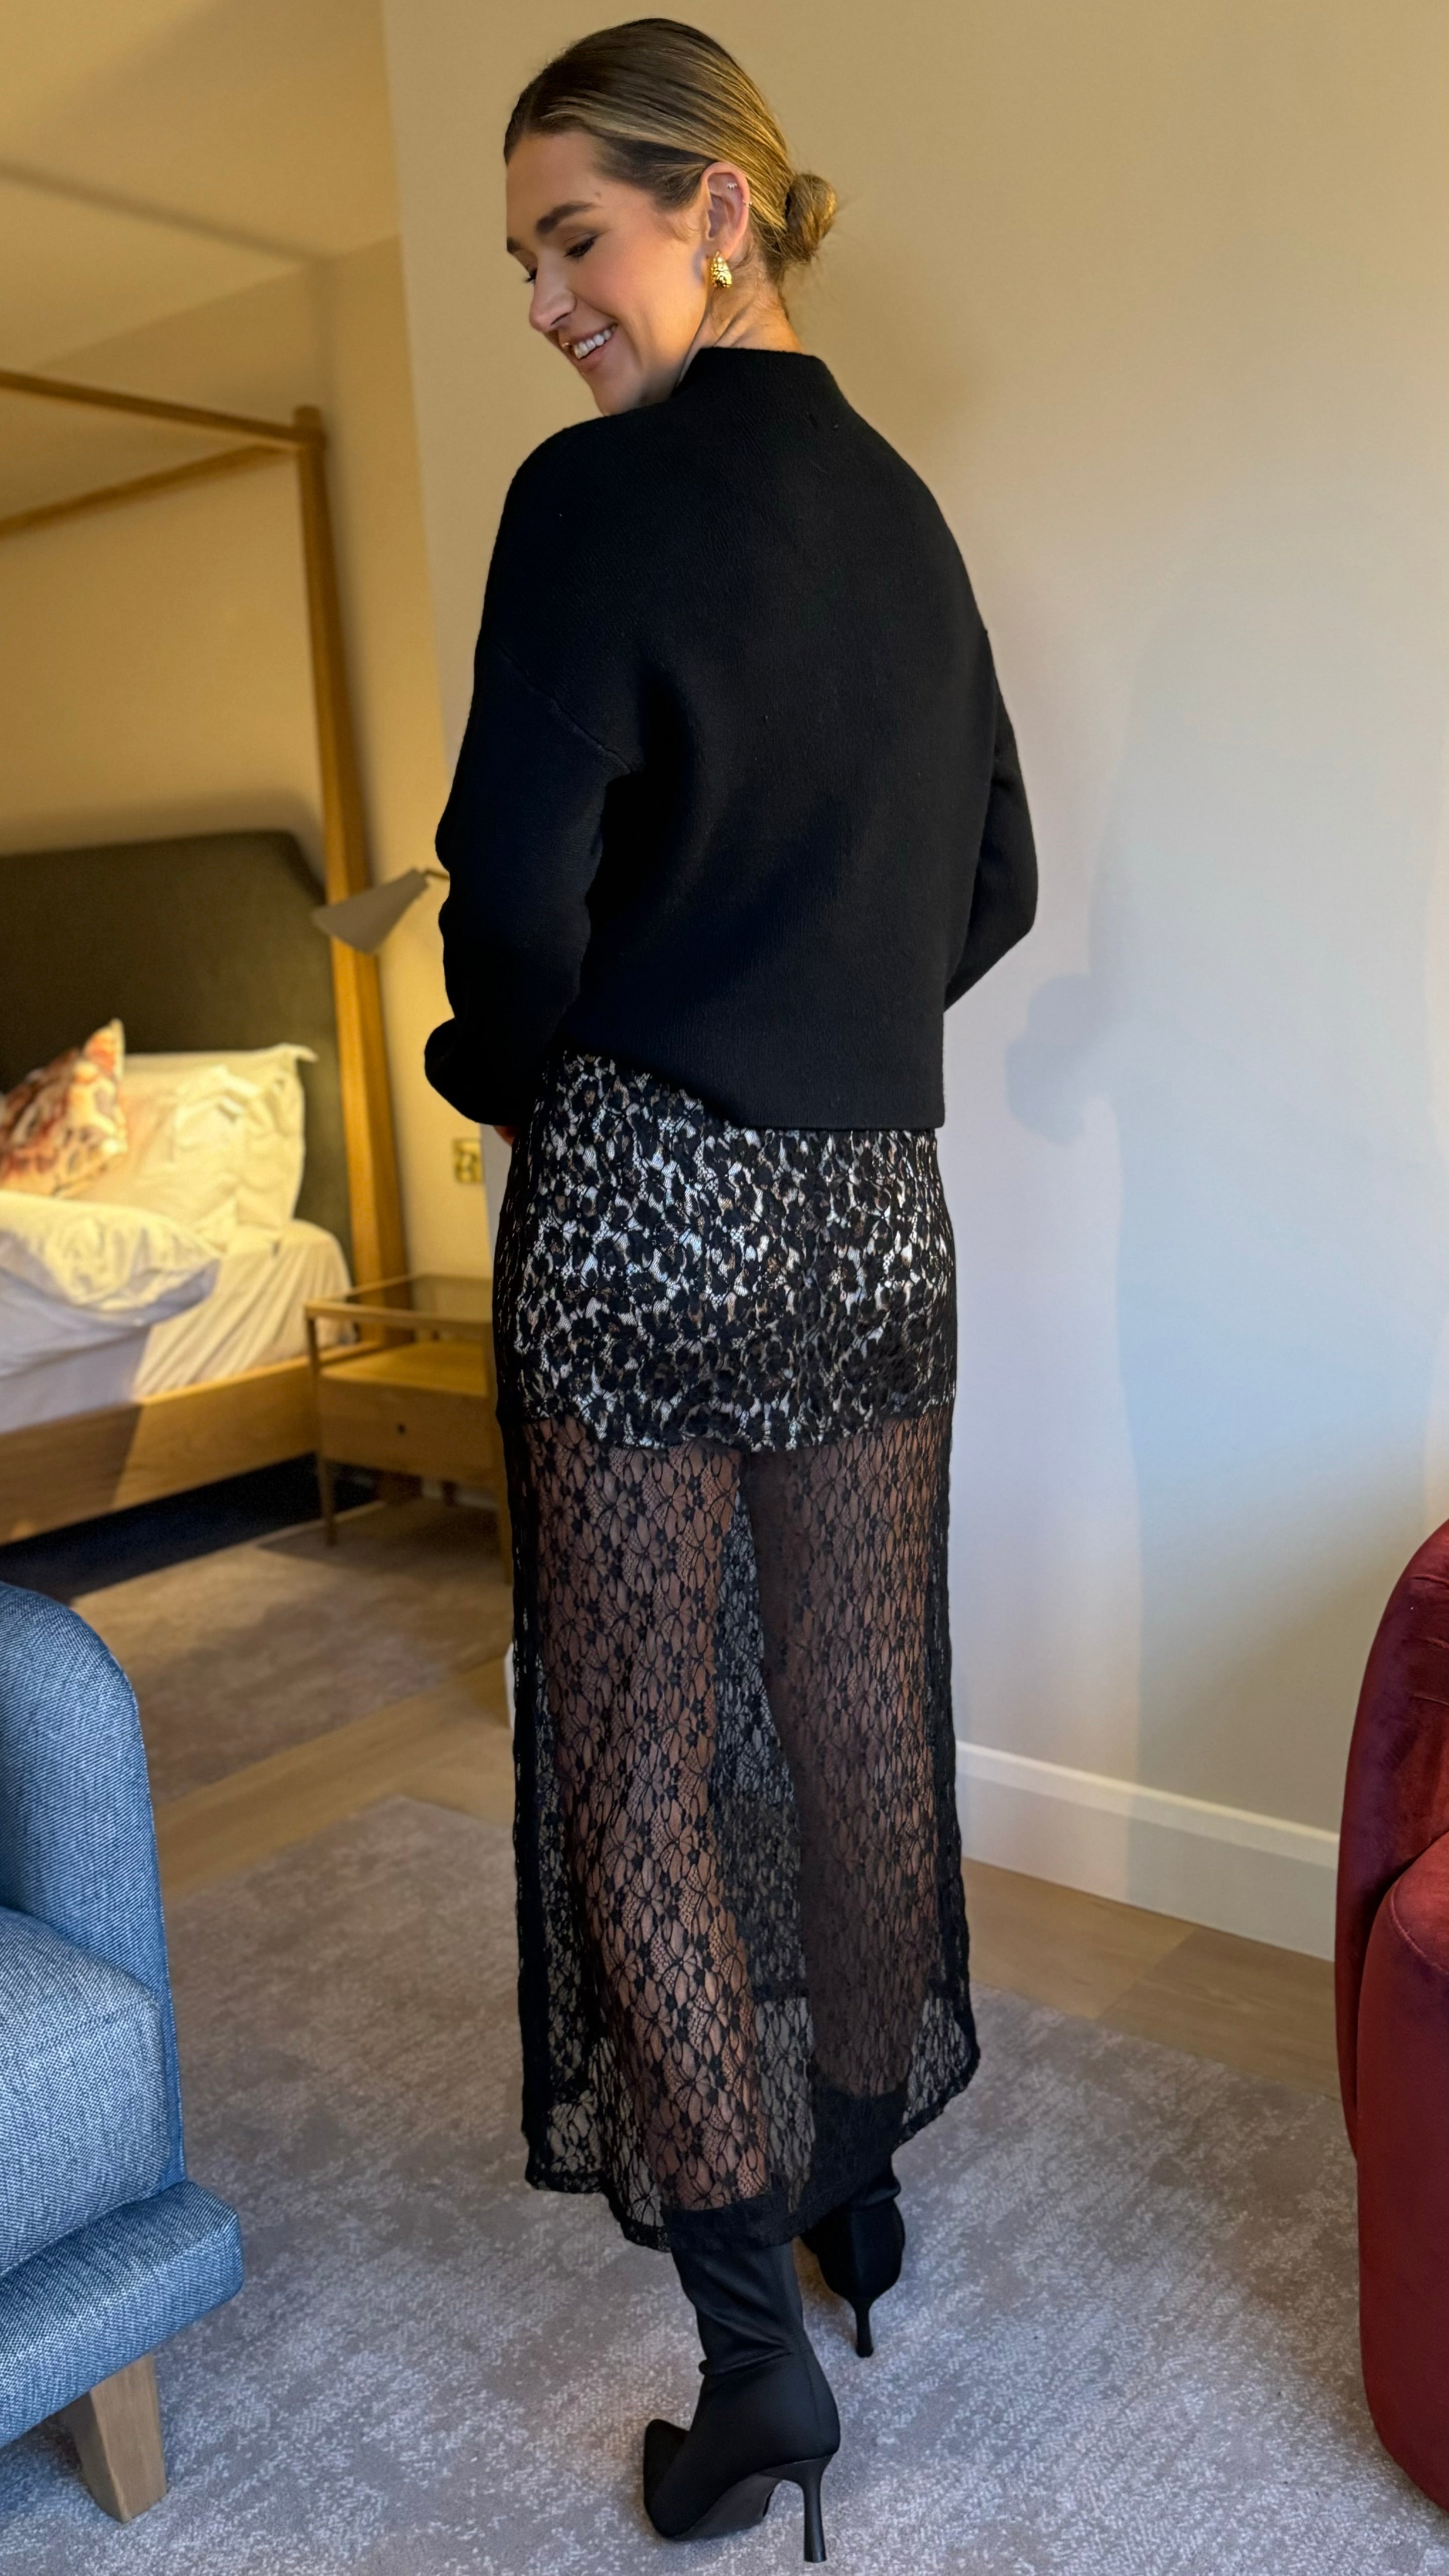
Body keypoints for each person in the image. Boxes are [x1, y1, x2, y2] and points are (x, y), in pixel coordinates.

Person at [425, 18, 1037, 2560]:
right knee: (856, 1717)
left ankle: (751, 2367)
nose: (543, 301)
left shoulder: (591, 500)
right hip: (875, 1212)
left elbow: (509, 900)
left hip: (650, 1210)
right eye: (522, 258)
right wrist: (826, 1021)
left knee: (643, 1760)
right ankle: (851, 2193)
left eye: (571, 235)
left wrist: (507, 1065)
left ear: (719, 209)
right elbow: (995, 883)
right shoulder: (906, 518)